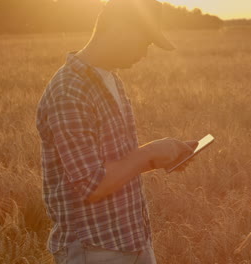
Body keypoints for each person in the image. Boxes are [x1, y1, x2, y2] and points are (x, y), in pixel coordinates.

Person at [36, 0, 197, 263]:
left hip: (130, 239)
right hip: (95, 249)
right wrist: (151, 153)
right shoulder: (69, 91)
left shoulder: (109, 79)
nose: (145, 53)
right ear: (122, 29)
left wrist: (161, 157)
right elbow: (93, 183)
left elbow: (115, 163)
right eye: (145, 42)